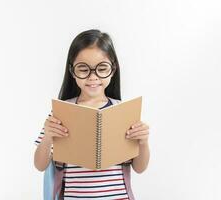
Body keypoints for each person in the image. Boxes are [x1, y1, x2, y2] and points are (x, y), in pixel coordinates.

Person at [34, 29, 150, 199]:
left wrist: (143, 142)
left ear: (113, 69)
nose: (93, 77)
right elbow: (39, 165)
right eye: (83, 69)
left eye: (102, 68)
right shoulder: (62, 112)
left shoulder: (123, 112)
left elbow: (139, 168)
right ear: (72, 71)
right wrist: (47, 139)